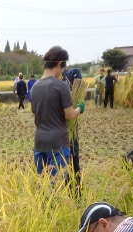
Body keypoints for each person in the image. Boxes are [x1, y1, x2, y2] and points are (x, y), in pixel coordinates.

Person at [30, 46, 83, 181]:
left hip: (39, 141)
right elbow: (69, 115)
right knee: (57, 184)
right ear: (60, 63)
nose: (63, 71)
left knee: (42, 183)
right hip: (58, 142)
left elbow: (36, 116)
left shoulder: (35, 87)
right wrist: (80, 109)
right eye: (63, 67)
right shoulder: (61, 86)